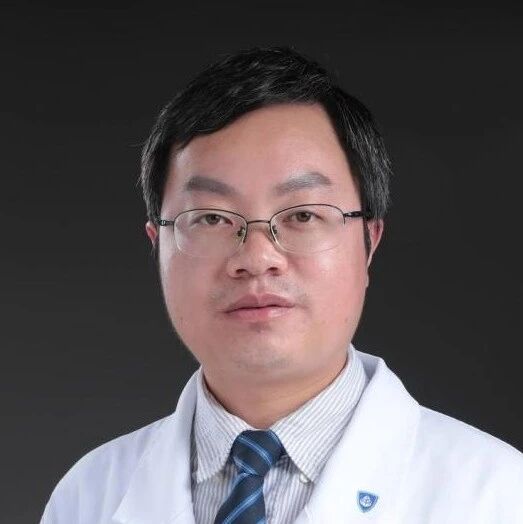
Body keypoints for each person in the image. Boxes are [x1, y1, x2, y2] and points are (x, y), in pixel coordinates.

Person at [40, 46, 522, 524]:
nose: (256, 259)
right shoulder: (88, 498)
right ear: (157, 243)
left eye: (303, 215)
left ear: (369, 241)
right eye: (211, 218)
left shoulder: (499, 496)